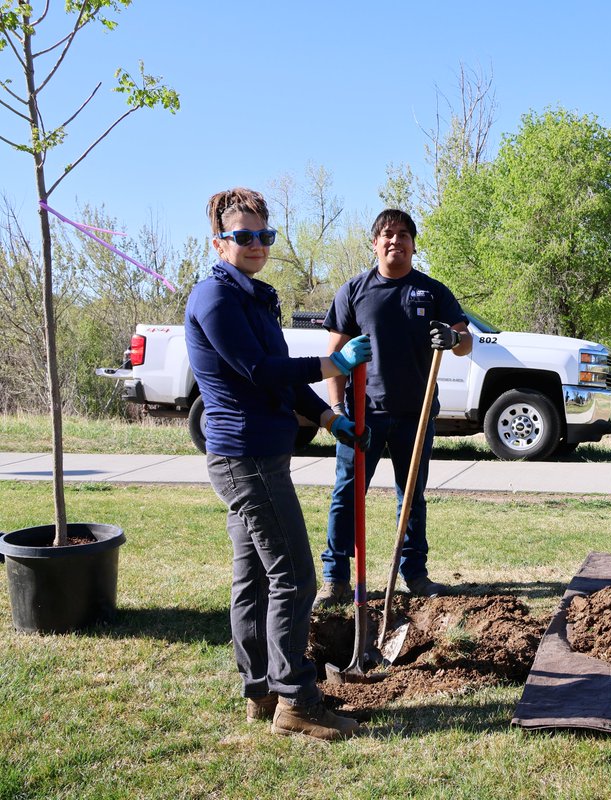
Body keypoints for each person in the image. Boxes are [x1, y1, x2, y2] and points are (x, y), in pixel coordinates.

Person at [185, 188, 373, 740]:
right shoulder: (216, 299)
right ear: (218, 241)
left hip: (259, 452)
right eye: (242, 236)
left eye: (263, 236)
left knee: (255, 580)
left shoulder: (252, 297)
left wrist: (329, 418)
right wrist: (331, 362)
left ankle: (261, 691)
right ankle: (297, 702)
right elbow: (258, 370)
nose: (255, 245)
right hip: (247, 459)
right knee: (294, 576)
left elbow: (284, 381)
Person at [314, 209, 472, 608]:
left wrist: (451, 337)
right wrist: (337, 411)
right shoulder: (353, 291)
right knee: (347, 495)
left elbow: (466, 340)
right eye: (387, 234)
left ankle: (415, 574)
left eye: (403, 234)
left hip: (416, 417)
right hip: (362, 415)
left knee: (412, 496)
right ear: (375, 243)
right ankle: (334, 579)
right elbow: (333, 356)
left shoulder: (432, 291)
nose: (395, 241)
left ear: (414, 244)